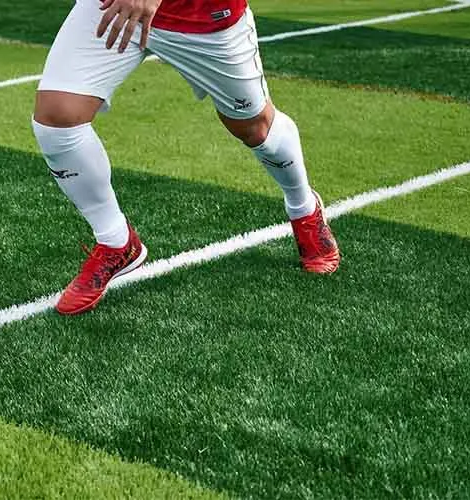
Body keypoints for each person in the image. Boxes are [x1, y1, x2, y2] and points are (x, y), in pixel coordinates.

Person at [32, 0, 340, 316]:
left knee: (255, 129)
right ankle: (116, 242)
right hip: (115, 5)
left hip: (202, 17)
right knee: (57, 117)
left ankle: (303, 208)